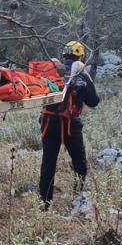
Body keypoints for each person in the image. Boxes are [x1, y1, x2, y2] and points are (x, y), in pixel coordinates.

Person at [39, 40, 100, 210]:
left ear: (64, 54)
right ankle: (78, 197)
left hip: (48, 122)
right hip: (70, 125)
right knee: (79, 161)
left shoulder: (51, 71)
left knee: (48, 163)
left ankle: (44, 205)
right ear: (80, 55)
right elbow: (94, 101)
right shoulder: (81, 73)